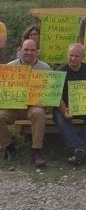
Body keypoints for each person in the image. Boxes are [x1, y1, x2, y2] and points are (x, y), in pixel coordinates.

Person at [1, 39, 51, 167]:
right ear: (20, 50)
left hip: (33, 107)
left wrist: (44, 102)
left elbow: (50, 93)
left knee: (39, 113)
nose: (29, 52)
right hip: (13, 106)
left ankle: (36, 151)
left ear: (37, 52)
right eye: (26, 49)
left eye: (32, 50)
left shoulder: (45, 68)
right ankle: (9, 145)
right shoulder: (10, 66)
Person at [53, 43, 86, 165]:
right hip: (65, 106)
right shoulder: (60, 71)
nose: (73, 58)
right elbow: (56, 95)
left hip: (83, 106)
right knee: (59, 117)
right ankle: (80, 149)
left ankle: (78, 150)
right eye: (71, 55)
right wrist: (64, 110)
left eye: (76, 56)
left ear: (83, 57)